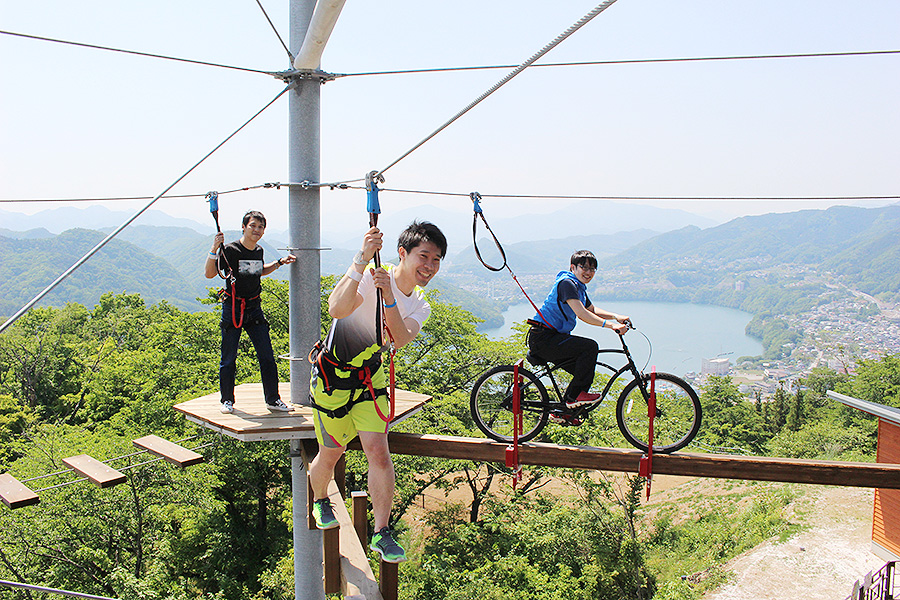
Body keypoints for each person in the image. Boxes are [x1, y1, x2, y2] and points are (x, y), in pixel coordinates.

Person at [307, 220, 446, 564]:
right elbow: (336, 309)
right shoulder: (368, 276)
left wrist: (389, 299)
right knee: (331, 453)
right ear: (402, 254)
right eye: (424, 256)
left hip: (370, 378)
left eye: (437, 259)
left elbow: (398, 339)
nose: (429, 266)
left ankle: (381, 531)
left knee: (379, 453)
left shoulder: (419, 305)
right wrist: (361, 258)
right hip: (332, 378)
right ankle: (320, 498)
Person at [205, 210, 296, 414]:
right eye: (253, 225)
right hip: (233, 308)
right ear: (244, 227)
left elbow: (258, 271)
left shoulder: (258, 251)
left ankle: (273, 399)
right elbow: (210, 274)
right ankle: (226, 400)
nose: (256, 230)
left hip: (254, 308)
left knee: (267, 357)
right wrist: (214, 248)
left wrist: (280, 262)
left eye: (260, 227)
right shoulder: (230, 250)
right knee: (228, 357)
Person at [527, 250, 630, 416]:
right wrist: (611, 326)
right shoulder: (567, 284)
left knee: (585, 371)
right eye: (584, 268)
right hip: (544, 338)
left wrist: (616, 317)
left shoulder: (578, 287)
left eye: (592, 269)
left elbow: (592, 309)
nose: (588, 273)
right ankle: (572, 400)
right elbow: (582, 314)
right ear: (573, 267)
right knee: (589, 347)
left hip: (554, 337)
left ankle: (565, 412)